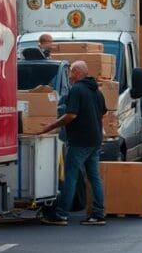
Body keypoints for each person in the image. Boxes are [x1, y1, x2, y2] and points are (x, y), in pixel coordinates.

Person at [40, 61, 107, 226]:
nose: (69, 76)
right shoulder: (97, 91)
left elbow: (71, 115)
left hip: (80, 140)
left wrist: (50, 126)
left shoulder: (77, 89)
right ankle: (98, 214)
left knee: (71, 177)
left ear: (77, 73)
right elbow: (104, 113)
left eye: (71, 72)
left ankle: (61, 214)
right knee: (94, 177)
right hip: (95, 139)